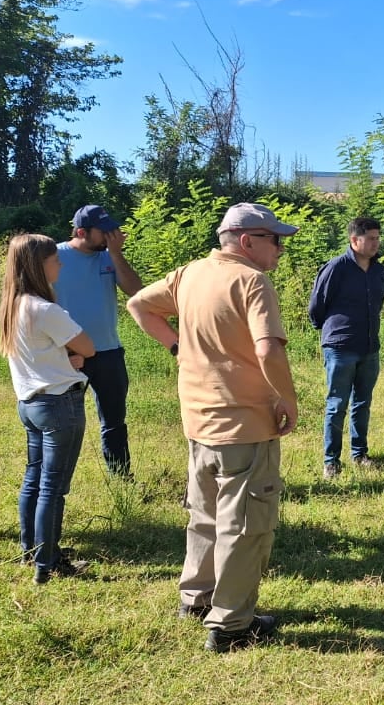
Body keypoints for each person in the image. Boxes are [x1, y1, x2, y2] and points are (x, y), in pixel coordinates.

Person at [127, 202, 298, 653]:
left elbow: (138, 305)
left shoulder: (190, 274)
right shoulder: (252, 281)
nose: (280, 249)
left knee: (203, 513)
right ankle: (231, 624)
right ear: (248, 242)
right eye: (275, 240)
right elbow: (268, 351)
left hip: (198, 420)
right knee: (245, 525)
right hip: (244, 423)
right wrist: (288, 398)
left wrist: (177, 347)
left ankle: (197, 598)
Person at [0, 234, 96, 585]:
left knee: (34, 480)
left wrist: (66, 357)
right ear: (40, 265)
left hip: (30, 402)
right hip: (58, 404)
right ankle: (48, 563)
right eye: (55, 260)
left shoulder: (13, 304)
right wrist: (75, 356)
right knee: (53, 488)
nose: (61, 264)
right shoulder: (45, 309)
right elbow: (88, 346)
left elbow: (42, 353)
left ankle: (32, 550)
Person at [53, 204, 144, 479]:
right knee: (63, 423)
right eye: (104, 232)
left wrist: (116, 254)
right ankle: (55, 480)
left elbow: (135, 291)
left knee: (114, 422)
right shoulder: (53, 256)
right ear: (81, 232)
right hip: (67, 354)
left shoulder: (109, 257)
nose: (112, 236)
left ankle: (121, 480)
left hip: (108, 353)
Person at [308, 217, 384, 477]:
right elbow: (317, 306)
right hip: (341, 347)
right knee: (336, 404)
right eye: (371, 238)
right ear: (355, 240)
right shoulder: (336, 268)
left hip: (369, 346)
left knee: (362, 402)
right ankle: (331, 461)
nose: (376, 243)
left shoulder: (378, 271)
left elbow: (378, 303)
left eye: (378, 237)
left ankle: (360, 453)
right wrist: (333, 331)